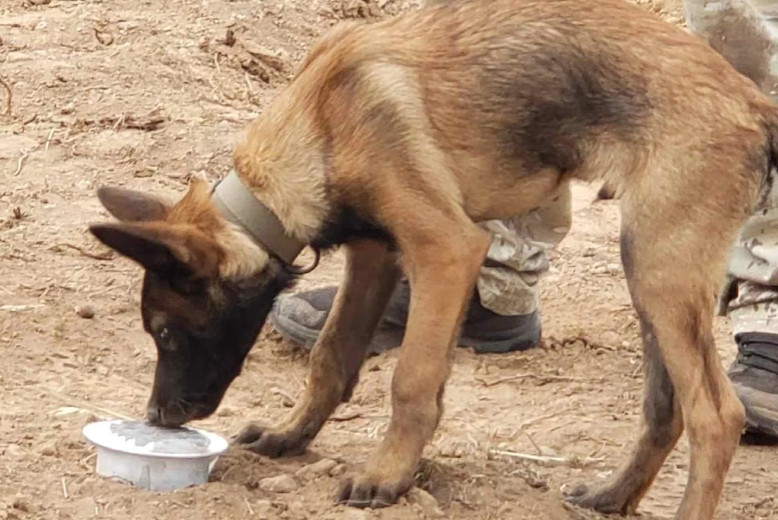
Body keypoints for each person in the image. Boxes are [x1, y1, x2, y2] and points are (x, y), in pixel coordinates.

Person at [268, 0, 778, 438]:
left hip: (699, 129)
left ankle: (771, 301)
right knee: (497, 31)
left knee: (740, 36)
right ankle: (496, 274)